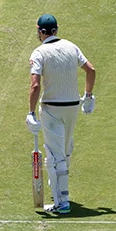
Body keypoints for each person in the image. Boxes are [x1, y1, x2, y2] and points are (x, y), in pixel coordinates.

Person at [25, 14, 96, 214]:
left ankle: (62, 202)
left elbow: (35, 85)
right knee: (64, 152)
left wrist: (30, 113)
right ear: (56, 30)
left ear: (40, 32)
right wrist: (88, 96)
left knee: (56, 157)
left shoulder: (39, 52)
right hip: (73, 106)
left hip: (51, 108)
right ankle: (59, 192)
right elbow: (91, 71)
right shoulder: (71, 47)